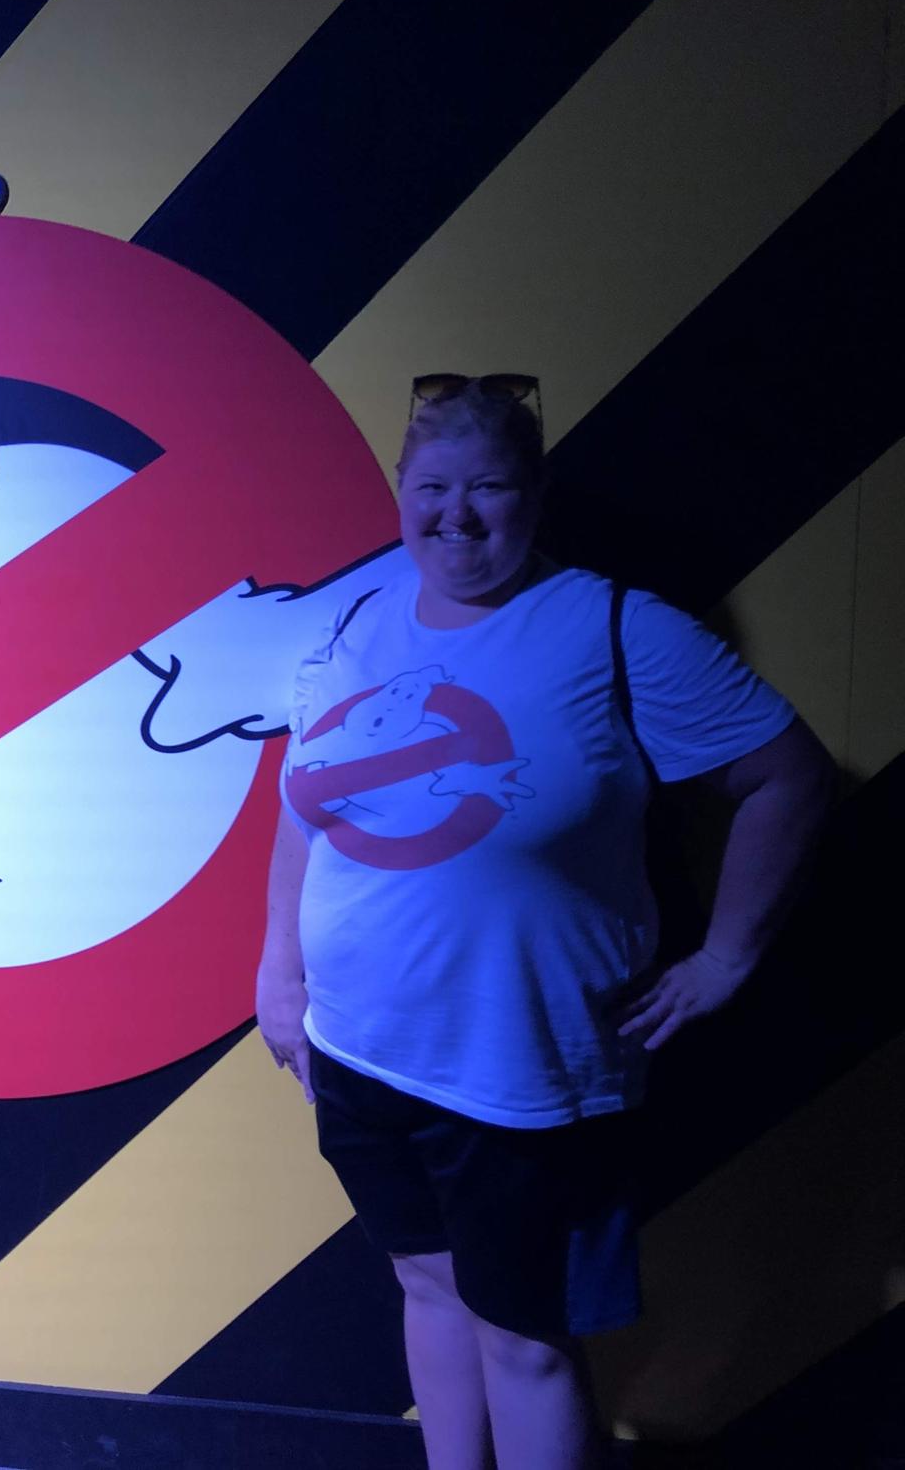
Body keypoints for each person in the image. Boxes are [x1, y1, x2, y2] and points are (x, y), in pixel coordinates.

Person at [254, 374, 833, 1470]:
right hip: (356, 1049)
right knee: (426, 1287)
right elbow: (308, 806)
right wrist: (277, 972)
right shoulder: (356, 622)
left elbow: (788, 780)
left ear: (535, 495)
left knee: (524, 1338)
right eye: (432, 488)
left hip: (519, 1071)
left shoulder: (613, 630)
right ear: (400, 491)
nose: (456, 516)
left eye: (488, 488)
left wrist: (725, 958)